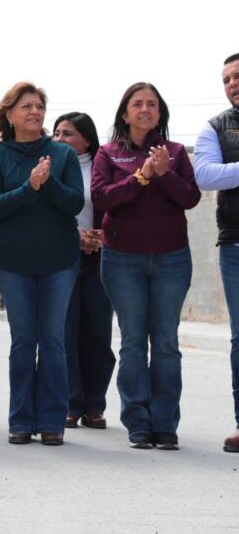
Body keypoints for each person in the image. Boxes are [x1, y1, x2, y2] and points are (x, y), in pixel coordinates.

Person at [93, 83, 199, 450]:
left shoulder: (175, 152)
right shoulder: (108, 154)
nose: (145, 109)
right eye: (137, 104)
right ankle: (138, 421)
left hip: (171, 258)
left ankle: (165, 424)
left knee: (167, 342)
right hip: (123, 258)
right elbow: (103, 198)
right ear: (125, 113)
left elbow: (190, 198)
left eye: (152, 104)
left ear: (160, 112)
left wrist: (166, 173)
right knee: (134, 342)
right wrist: (141, 177)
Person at [0, 82, 83, 446]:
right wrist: (30, 186)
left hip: (59, 260)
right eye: (26, 106)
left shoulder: (62, 154)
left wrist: (47, 182)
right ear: (9, 114)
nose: (34, 112)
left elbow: (74, 204)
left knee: (52, 340)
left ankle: (53, 422)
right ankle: (21, 420)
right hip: (12, 261)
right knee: (23, 341)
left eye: (39, 106)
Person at [52, 112, 115, 430]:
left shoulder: (103, 165)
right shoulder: (50, 166)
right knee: (65, 334)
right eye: (57, 133)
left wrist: (100, 237)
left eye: (67, 133)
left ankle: (94, 406)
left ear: (87, 139)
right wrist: (73, 236)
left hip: (100, 259)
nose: (60, 139)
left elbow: (115, 203)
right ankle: (70, 404)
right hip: (62, 259)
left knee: (97, 336)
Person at [194, 52, 239, 453]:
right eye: (226, 79)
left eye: (237, 76)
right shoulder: (216, 128)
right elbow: (206, 174)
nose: (232, 84)